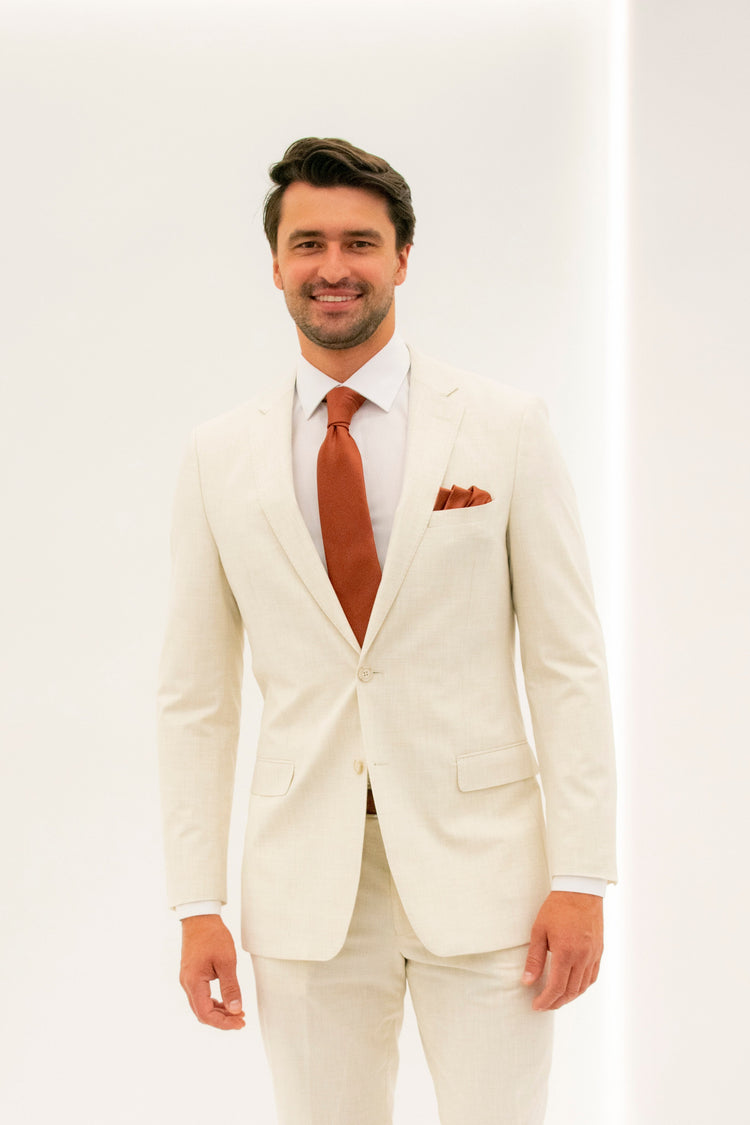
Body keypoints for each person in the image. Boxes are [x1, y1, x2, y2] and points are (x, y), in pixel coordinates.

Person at [157, 137, 617, 1125]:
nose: (334, 267)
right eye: (309, 242)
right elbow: (196, 698)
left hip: (490, 878)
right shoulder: (218, 457)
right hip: (302, 885)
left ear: (402, 258)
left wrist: (581, 877)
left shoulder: (504, 427)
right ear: (275, 264)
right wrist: (197, 904)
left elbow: (567, 665)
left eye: (360, 242)